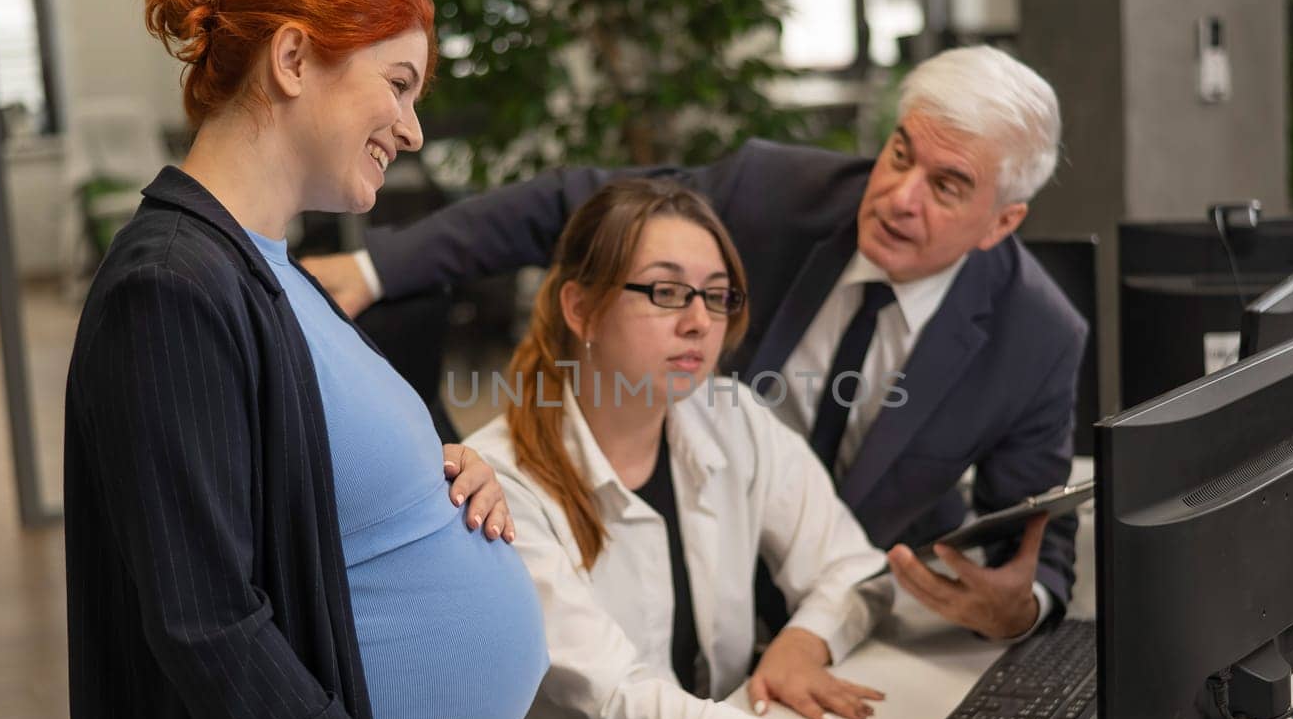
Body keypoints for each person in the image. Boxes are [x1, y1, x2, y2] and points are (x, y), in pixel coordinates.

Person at [63, 0, 548, 719]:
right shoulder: (171, 284)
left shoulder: (271, 270)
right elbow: (205, 615)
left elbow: (295, 482)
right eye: (398, 86)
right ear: (292, 59)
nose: (409, 129)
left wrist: (445, 476)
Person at [304, 45, 1086, 642]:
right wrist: (376, 267)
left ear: (1002, 222)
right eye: (900, 153)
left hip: (860, 612)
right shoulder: (776, 195)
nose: (898, 196)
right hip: (686, 570)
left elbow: (1035, 548)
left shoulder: (1039, 338)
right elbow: (573, 207)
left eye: (947, 186)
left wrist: (1024, 604)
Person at [456, 177, 948, 719]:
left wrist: (803, 642)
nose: (699, 321)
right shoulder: (503, 482)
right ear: (581, 307)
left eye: (717, 295)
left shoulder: (730, 414)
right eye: (665, 291)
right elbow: (621, 706)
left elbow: (853, 566)